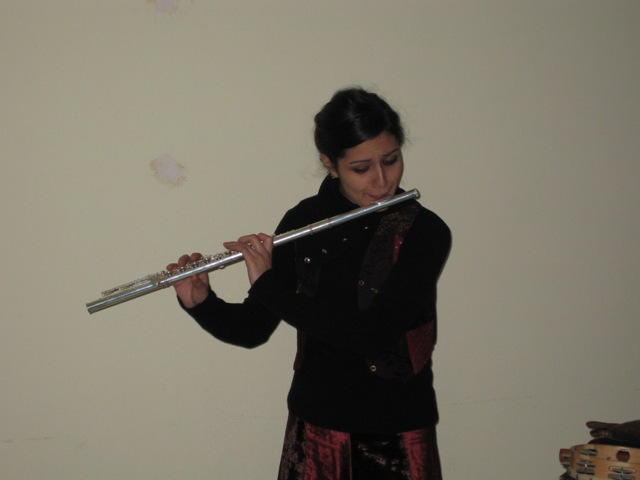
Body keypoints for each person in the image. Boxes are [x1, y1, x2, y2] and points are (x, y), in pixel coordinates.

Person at [168, 87, 452, 480]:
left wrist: (268, 284)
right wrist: (201, 302)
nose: (382, 181)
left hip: (398, 432)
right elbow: (251, 329)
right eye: (361, 168)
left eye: (391, 160)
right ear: (330, 164)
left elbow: (372, 334)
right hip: (317, 429)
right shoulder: (304, 221)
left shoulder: (424, 231)